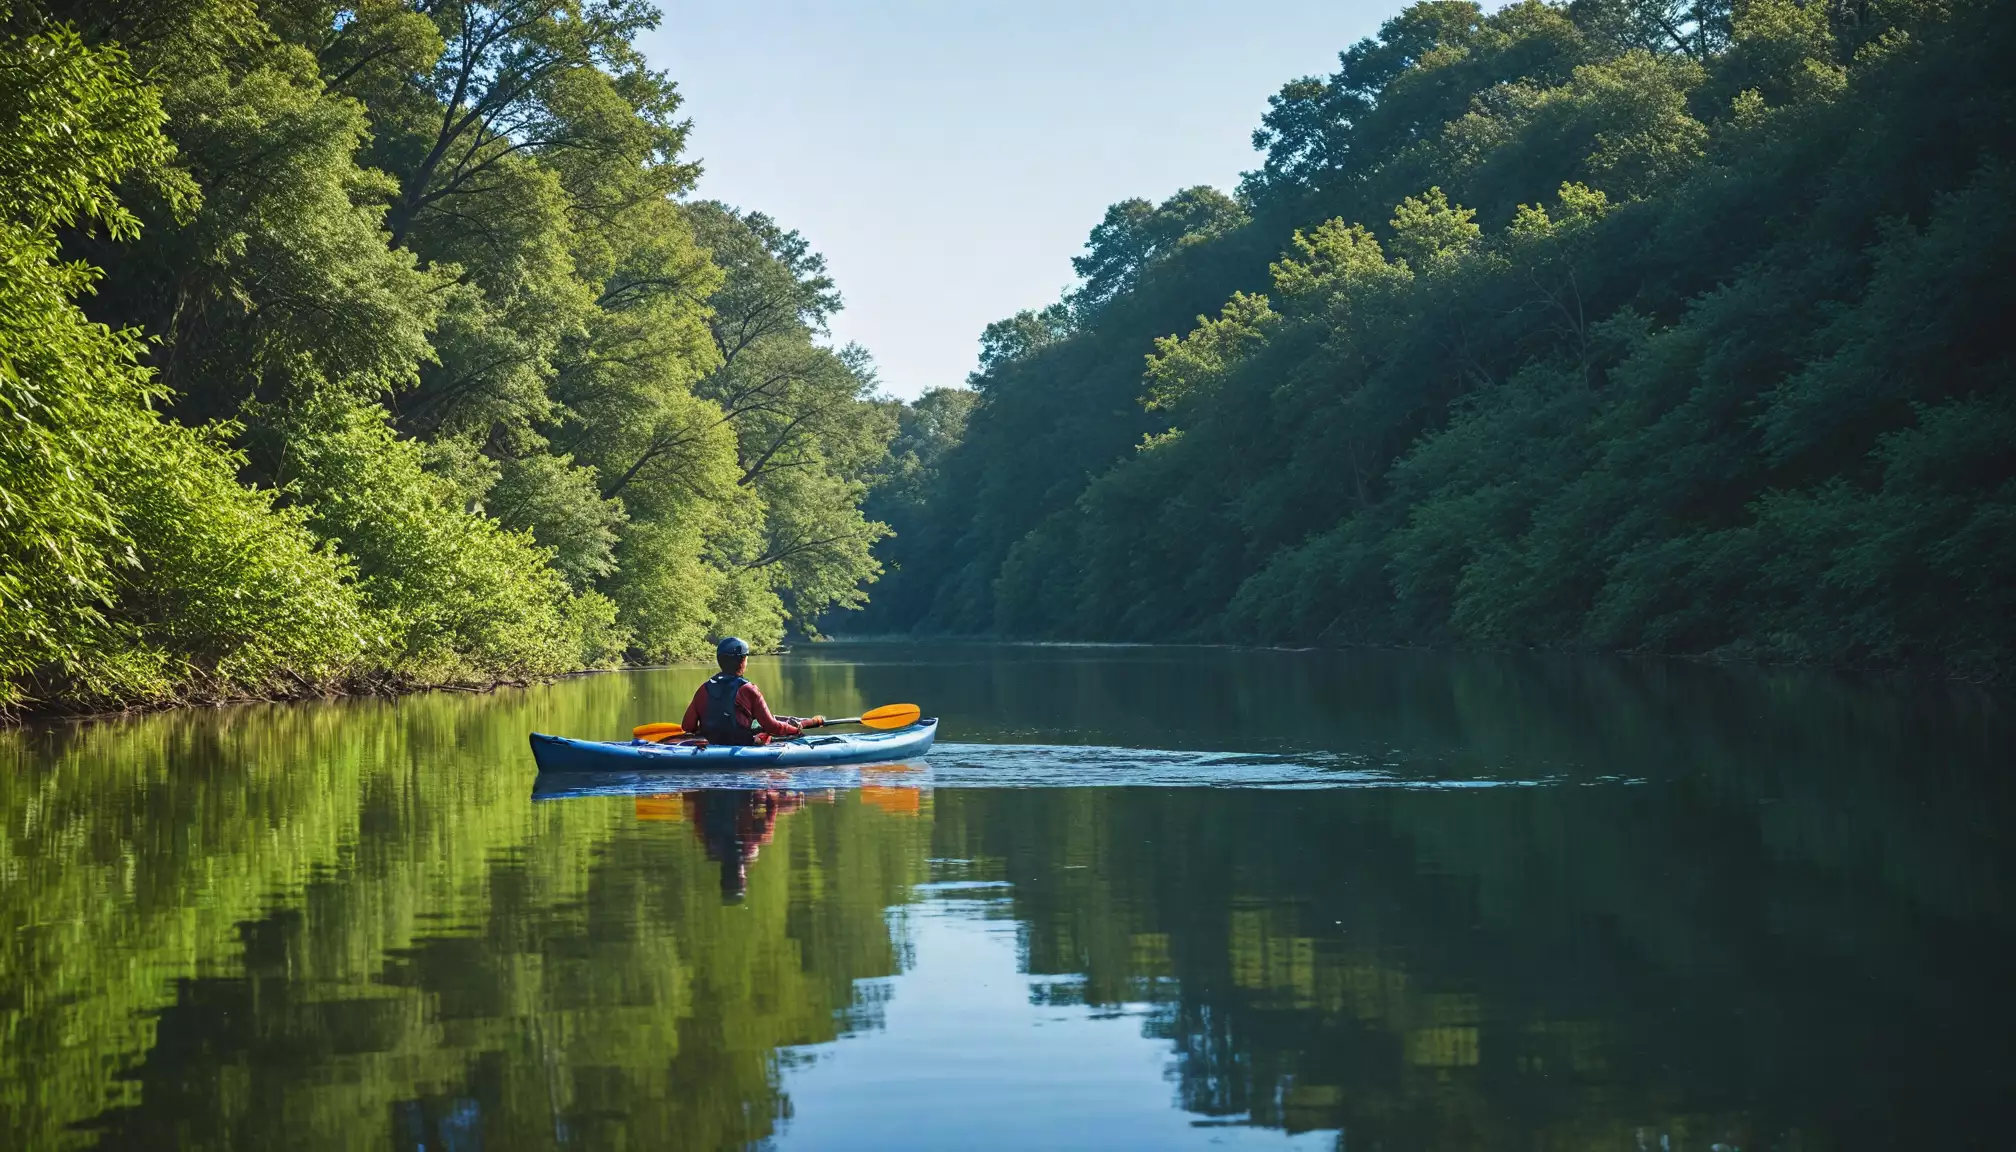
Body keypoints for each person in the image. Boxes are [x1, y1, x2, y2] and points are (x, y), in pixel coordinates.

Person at [680, 637, 824, 746]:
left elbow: (687, 726)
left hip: (711, 744)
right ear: (742, 660)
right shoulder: (748, 689)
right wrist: (795, 730)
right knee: (766, 733)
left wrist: (714, 726)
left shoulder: (704, 688)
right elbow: (772, 726)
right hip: (742, 745)